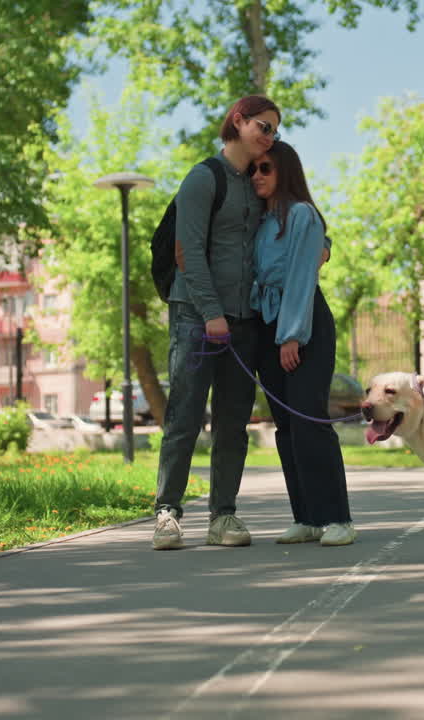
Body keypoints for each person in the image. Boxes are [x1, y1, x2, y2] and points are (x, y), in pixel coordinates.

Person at [152, 95, 281, 550]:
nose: (269, 137)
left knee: (232, 423)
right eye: (263, 127)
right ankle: (167, 513)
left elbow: (293, 217)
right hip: (195, 316)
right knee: (184, 416)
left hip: (244, 321)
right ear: (238, 122)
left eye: (274, 131)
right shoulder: (203, 178)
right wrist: (210, 314)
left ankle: (223, 516)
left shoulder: (261, 182)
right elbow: (187, 251)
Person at [248, 140, 356, 547]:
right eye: (254, 169)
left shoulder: (302, 216)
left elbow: (299, 277)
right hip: (266, 323)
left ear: (285, 173)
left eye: (266, 169)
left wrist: (291, 334)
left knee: (309, 419)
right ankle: (306, 517)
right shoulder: (260, 222)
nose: (257, 175)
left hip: (302, 321)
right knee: (286, 426)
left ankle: (338, 518)